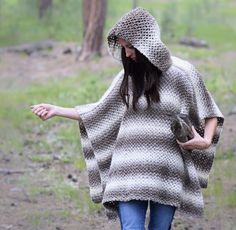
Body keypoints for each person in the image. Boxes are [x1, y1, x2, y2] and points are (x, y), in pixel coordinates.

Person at [31, 8, 224, 230]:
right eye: (123, 47)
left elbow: (209, 111)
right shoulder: (126, 78)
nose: (128, 54)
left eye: (130, 47)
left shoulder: (182, 74)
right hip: (128, 170)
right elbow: (98, 111)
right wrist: (56, 109)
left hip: (167, 171)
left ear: (147, 44)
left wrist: (206, 140)